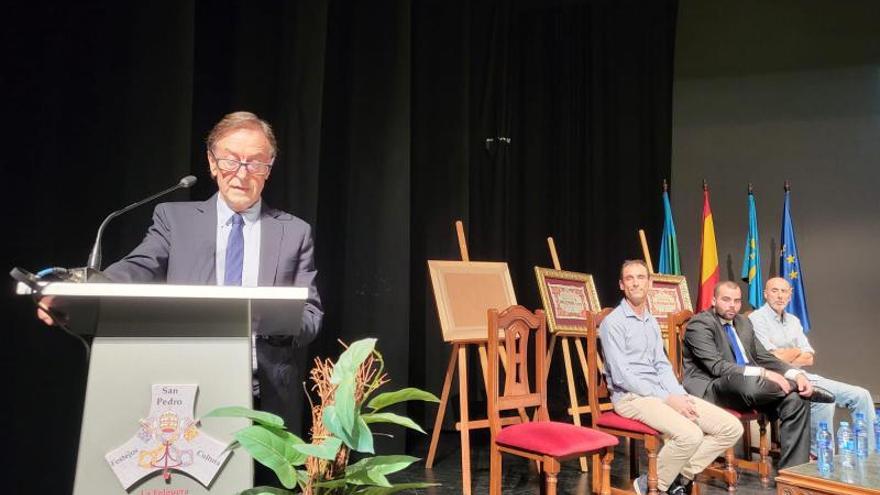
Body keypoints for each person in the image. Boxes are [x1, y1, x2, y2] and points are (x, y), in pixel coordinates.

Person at [38, 111, 323, 435]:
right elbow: (137, 268)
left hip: (266, 400)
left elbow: (311, 316)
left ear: (268, 168)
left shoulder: (294, 232)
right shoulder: (175, 220)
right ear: (212, 163)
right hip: (186, 395)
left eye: (255, 163)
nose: (242, 174)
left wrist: (271, 316)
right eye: (231, 160)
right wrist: (81, 295)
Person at [600, 260, 742, 495]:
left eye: (640, 277)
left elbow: (662, 365)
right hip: (632, 398)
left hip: (662, 393)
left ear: (649, 283)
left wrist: (677, 394)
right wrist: (667, 398)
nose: (635, 283)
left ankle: (677, 477)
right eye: (629, 278)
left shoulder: (651, 322)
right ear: (621, 285)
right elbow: (623, 377)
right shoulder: (612, 323)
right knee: (690, 435)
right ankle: (654, 486)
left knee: (731, 428)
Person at [682, 280, 833, 469]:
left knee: (797, 400)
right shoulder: (700, 324)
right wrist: (765, 374)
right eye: (726, 300)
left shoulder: (743, 322)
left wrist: (796, 375)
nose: (732, 305)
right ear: (714, 300)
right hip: (713, 387)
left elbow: (764, 357)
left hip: (753, 388)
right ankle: (803, 389)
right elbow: (716, 367)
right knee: (749, 384)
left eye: (737, 301)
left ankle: (792, 474)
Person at [750, 276, 875, 456]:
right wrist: (794, 352)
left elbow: (809, 358)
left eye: (784, 291)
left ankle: (869, 457)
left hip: (804, 376)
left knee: (861, 395)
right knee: (824, 400)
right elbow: (769, 359)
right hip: (777, 380)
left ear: (790, 295)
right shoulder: (756, 318)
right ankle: (819, 456)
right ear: (765, 294)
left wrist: (785, 353)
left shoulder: (794, 321)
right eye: (774, 291)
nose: (779, 296)